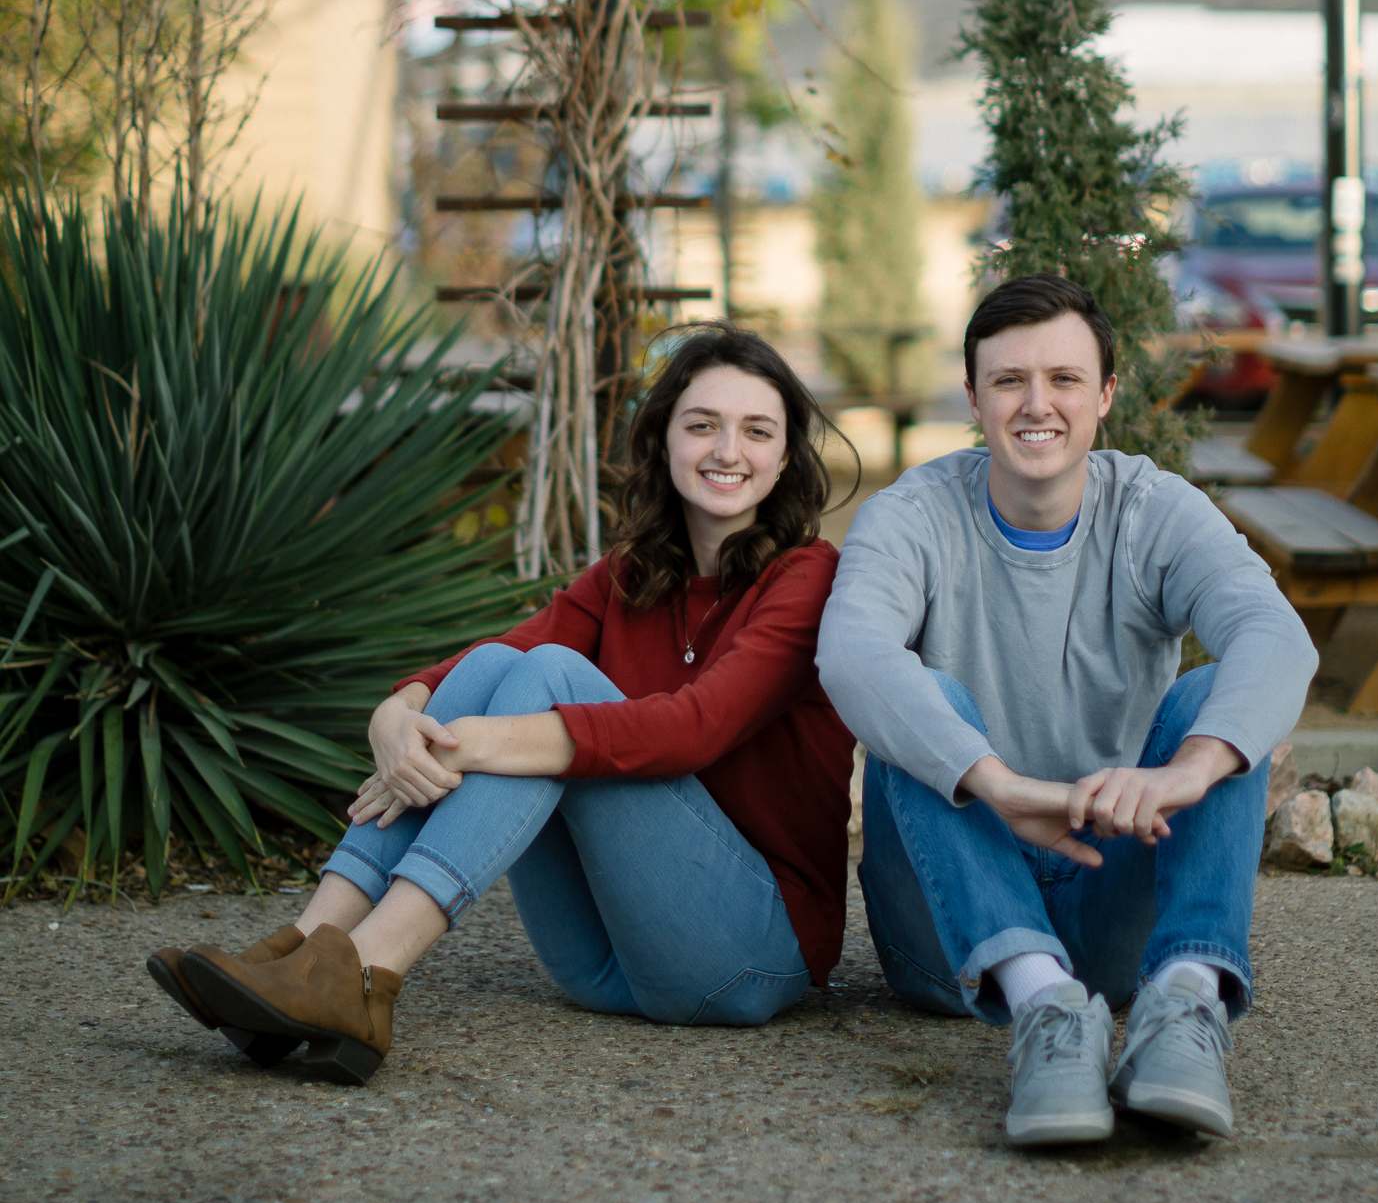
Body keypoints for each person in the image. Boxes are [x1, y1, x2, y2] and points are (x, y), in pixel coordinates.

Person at [147, 325, 854, 1084]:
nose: (727, 450)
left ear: (785, 459)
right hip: (601, 964)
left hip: (745, 957)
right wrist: (398, 710)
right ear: (663, 440)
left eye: (757, 431)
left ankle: (364, 973)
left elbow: (695, 730)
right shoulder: (633, 574)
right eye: (702, 424)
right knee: (500, 661)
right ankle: (301, 949)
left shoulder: (808, 578)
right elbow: (496, 655)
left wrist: (473, 743)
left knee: (549, 675)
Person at [816, 272, 1316, 1148]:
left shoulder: (1153, 509)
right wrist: (1000, 787)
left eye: (1064, 379)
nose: (1035, 404)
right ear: (972, 398)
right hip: (947, 926)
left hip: (1110, 889)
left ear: (1106, 396)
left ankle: (1186, 1003)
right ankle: (1043, 1007)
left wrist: (1190, 768)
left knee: (1215, 706)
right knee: (918, 700)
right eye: (1009, 381)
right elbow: (849, 656)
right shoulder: (912, 515)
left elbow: (1276, 635)